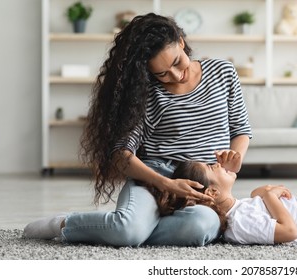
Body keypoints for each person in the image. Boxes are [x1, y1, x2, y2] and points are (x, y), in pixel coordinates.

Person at [23, 13, 251, 247]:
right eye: (161, 73)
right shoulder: (145, 92)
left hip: (203, 183)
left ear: (181, 42)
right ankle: (65, 224)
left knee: (200, 227)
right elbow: (121, 155)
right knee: (127, 232)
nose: (174, 76)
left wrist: (234, 162)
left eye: (176, 63)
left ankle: (132, 226)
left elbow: (241, 129)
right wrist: (166, 183)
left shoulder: (223, 72)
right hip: (154, 178)